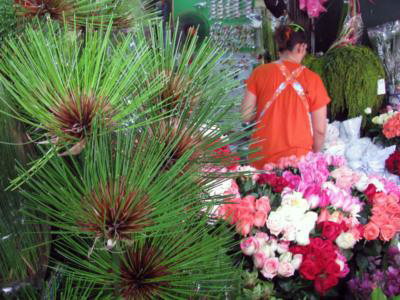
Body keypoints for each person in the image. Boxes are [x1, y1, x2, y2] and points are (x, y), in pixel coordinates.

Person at [241, 24, 330, 169]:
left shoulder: (259, 73)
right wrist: (315, 152)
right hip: (298, 159)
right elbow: (320, 130)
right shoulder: (313, 79)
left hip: (262, 155)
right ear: (301, 47)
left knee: (262, 192)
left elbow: (245, 115)